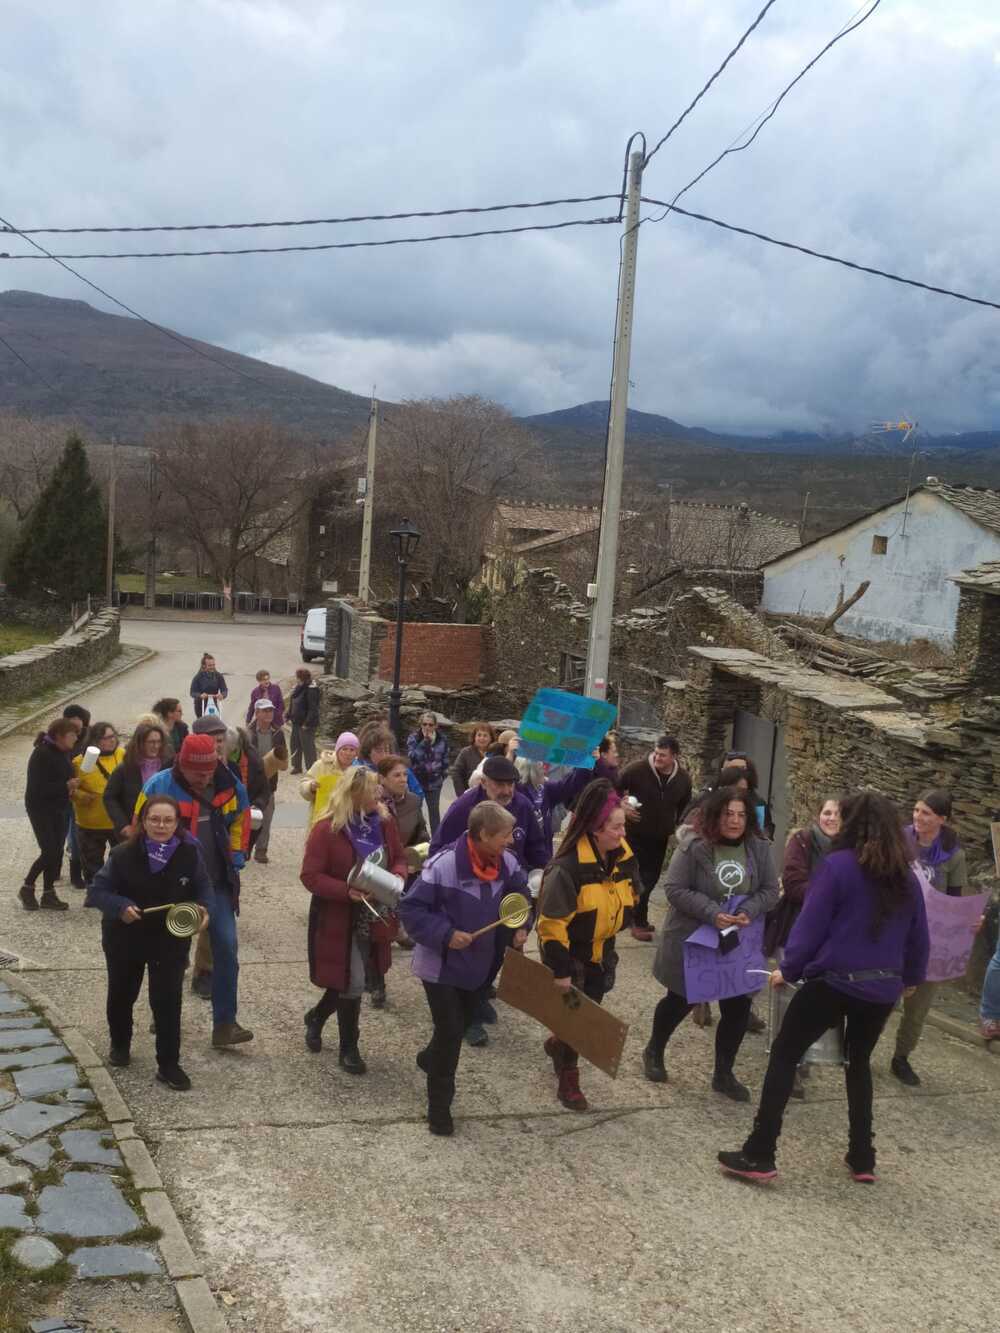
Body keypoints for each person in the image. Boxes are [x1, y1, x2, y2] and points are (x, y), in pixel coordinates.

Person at [718, 791, 930, 1184]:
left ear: (851, 825)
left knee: (785, 1052)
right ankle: (863, 1157)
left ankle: (760, 1152)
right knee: (859, 1061)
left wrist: (789, 968)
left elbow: (808, 928)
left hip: (834, 983)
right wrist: (912, 979)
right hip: (882, 989)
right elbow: (920, 936)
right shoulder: (907, 876)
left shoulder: (837, 867)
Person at [400, 801, 530, 1136]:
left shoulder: (508, 863)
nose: (510, 842)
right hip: (440, 967)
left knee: (458, 1027)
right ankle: (439, 1109)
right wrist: (446, 934)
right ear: (483, 835)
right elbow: (411, 910)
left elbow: (521, 897)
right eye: (503, 836)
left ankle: (430, 1060)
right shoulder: (441, 867)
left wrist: (521, 925)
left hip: (480, 966)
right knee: (450, 1033)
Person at [643, 786, 779, 1100]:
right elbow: (675, 889)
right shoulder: (694, 846)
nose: (735, 821)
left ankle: (723, 1073)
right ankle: (654, 1050)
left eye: (741, 815)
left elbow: (771, 890)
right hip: (697, 938)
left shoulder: (758, 847)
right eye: (728, 814)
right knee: (681, 999)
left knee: (738, 1007)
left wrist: (748, 909)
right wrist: (712, 912)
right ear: (715, 815)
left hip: (738, 942)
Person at [85, 795, 211, 1090]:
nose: (161, 826)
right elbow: (97, 891)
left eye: (168, 820)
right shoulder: (122, 854)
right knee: (122, 993)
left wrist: (205, 909)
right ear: (143, 822)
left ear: (177, 823)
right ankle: (120, 1044)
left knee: (167, 1000)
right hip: (124, 937)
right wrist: (120, 906)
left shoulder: (190, 852)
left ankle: (168, 1064)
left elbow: (204, 887)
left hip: (169, 939)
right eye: (154, 819)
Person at [137, 733, 251, 1048]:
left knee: (226, 949)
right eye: (198, 773)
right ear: (182, 766)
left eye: (209, 772)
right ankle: (162, 1016)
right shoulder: (158, 787)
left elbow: (241, 815)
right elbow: (137, 829)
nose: (205, 778)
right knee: (169, 955)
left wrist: (238, 853)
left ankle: (225, 1025)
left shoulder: (228, 783)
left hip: (216, 883)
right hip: (171, 887)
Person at [537, 779, 639, 1111]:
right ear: (596, 828)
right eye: (617, 827)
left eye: (624, 826)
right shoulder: (566, 869)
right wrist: (561, 970)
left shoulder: (622, 854)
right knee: (576, 1019)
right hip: (571, 954)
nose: (623, 834)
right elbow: (551, 925)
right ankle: (569, 1079)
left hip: (603, 952)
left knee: (585, 1011)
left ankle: (557, 1043)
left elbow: (634, 886)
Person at [299, 766, 406, 1070]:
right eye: (373, 790)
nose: (379, 794)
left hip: (376, 914)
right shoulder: (327, 829)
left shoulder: (384, 823)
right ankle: (349, 1048)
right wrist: (346, 892)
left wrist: (397, 876)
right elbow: (310, 876)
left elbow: (398, 856)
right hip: (338, 917)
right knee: (354, 981)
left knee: (348, 977)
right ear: (356, 795)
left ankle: (317, 1016)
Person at [764, 796, 842, 1097]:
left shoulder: (849, 850)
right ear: (818, 815)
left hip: (830, 939)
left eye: (836, 814)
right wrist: (831, 897)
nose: (831, 818)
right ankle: (787, 1064)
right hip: (795, 930)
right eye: (826, 812)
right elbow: (794, 882)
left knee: (818, 1001)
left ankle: (804, 1056)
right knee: (788, 999)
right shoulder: (802, 841)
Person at [891, 789, 968, 1087]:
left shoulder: (954, 855)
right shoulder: (899, 839)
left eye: (926, 813)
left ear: (942, 819)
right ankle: (860, 1049)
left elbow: (956, 900)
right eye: (916, 810)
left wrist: (967, 922)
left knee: (918, 1007)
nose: (917, 817)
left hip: (932, 940)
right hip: (895, 933)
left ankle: (901, 1057)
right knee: (882, 996)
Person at [619, 735, 692, 941]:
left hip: (659, 839)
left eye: (663, 755)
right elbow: (612, 789)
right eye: (657, 753)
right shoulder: (636, 770)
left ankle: (635, 916)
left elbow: (684, 806)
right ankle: (637, 921)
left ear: (674, 756)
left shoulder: (683, 779)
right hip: (633, 834)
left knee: (650, 880)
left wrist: (677, 827)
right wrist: (622, 806)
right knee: (634, 877)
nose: (658, 758)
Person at [19, 717, 80, 912]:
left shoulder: (63, 752)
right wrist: (65, 786)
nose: (75, 739)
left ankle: (48, 893)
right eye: (72, 735)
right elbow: (38, 788)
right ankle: (27, 887)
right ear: (60, 736)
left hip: (59, 807)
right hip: (40, 808)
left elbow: (63, 776)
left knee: (56, 851)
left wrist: (70, 787)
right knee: (49, 851)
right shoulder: (42, 754)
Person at [71, 722, 125, 885]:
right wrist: (81, 795)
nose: (112, 740)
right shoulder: (80, 762)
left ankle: (112, 891)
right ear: (95, 740)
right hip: (91, 823)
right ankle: (95, 891)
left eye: (113, 736)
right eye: (106, 737)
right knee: (92, 863)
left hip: (116, 821)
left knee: (118, 860)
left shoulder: (123, 755)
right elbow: (71, 789)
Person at [103, 722, 171, 839]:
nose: (156, 746)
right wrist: (123, 825)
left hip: (164, 828)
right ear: (140, 743)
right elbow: (109, 797)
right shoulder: (126, 768)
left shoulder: (168, 765)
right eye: (151, 742)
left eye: (158, 742)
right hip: (135, 829)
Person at [246, 699, 288, 864]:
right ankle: (245, 848)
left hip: (270, 782)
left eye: (270, 710)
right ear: (256, 713)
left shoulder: (278, 733)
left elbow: (283, 755)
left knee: (267, 817)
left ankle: (261, 850)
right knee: (249, 817)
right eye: (265, 711)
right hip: (250, 782)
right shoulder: (248, 733)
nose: (269, 713)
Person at [300, 732, 360, 828]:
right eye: (344, 749)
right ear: (337, 750)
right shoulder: (321, 765)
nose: (348, 753)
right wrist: (310, 786)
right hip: (322, 819)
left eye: (352, 750)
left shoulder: (359, 770)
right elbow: (303, 785)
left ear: (356, 753)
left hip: (349, 822)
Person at [62, 704, 91, 888]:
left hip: (80, 791)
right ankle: (56, 866)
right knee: (61, 832)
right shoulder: (60, 737)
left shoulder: (89, 739)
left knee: (75, 833)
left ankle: (76, 872)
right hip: (62, 791)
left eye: (78, 727)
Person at [407, 712, 449, 833]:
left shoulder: (442, 739)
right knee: (416, 812)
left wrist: (442, 776)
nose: (427, 727)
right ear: (421, 725)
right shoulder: (413, 738)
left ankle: (437, 839)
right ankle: (421, 837)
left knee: (434, 812)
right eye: (424, 724)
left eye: (431, 725)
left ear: (435, 726)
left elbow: (445, 759)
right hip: (417, 781)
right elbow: (413, 757)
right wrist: (424, 742)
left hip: (434, 782)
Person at [288, 667, 320, 774]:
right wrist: (288, 715)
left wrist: (307, 723)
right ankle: (297, 766)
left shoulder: (311, 690)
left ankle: (312, 770)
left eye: (297, 677)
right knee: (295, 744)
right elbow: (293, 702)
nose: (296, 679)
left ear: (301, 678)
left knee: (308, 747)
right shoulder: (299, 688)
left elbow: (313, 709)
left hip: (306, 724)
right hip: (296, 722)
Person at [450, 722, 494, 797]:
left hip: (490, 796)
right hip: (470, 795)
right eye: (479, 735)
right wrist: (462, 795)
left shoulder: (494, 753)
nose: (482, 738)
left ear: (491, 738)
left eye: (485, 735)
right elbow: (456, 773)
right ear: (474, 737)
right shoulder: (466, 752)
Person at [189, 652, 228, 719]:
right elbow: (192, 692)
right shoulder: (198, 677)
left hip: (213, 703)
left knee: (216, 721)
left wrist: (222, 695)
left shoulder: (218, 676)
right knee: (203, 724)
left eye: (213, 665)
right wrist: (200, 695)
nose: (212, 667)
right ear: (204, 665)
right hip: (200, 705)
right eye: (210, 665)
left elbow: (224, 690)